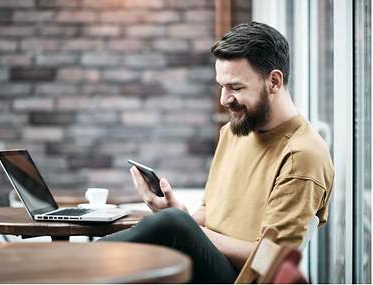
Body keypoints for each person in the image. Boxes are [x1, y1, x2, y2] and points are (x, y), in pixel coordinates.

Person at [100, 21, 334, 283]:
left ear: (274, 82)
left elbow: (271, 259)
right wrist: (180, 214)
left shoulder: (302, 156)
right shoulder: (235, 132)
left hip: (242, 279)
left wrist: (184, 226)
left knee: (171, 225)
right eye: (221, 86)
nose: (224, 99)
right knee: (166, 229)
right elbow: (210, 215)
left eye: (235, 87)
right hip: (209, 264)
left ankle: (65, 265)